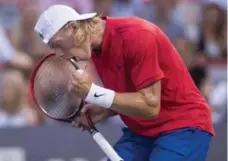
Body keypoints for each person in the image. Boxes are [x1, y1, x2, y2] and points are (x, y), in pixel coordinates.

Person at [34, 5, 214, 161]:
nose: (58, 54)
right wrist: (104, 110)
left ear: (73, 28)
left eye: (57, 44)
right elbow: (131, 93)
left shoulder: (137, 35)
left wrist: (94, 93)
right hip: (141, 133)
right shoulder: (94, 49)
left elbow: (150, 107)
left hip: (183, 127)